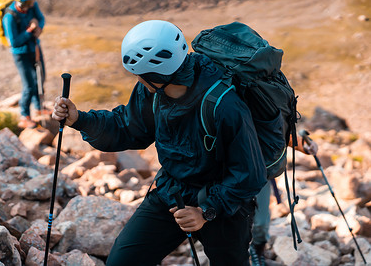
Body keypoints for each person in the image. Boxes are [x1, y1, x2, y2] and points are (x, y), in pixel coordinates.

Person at [52, 20, 267, 265]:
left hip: (224, 206)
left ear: (158, 75)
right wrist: (80, 119)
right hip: (172, 193)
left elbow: (250, 173)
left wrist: (206, 211)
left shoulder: (224, 105)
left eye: (140, 75)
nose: (137, 80)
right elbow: (127, 127)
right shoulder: (152, 92)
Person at [249, 134, 319, 266]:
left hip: (260, 170)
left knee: (261, 223)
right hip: (227, 170)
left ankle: (257, 249)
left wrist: (302, 144)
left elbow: (280, 128)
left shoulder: (266, 112)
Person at [3, 0, 46, 129]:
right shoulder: (9, 17)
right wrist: (30, 30)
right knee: (29, 85)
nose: (34, 3)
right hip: (21, 54)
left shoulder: (32, 6)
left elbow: (41, 18)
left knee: (41, 77)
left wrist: (39, 27)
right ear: (24, 1)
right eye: (31, 1)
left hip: (34, 48)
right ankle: (24, 115)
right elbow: (14, 42)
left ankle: (39, 107)